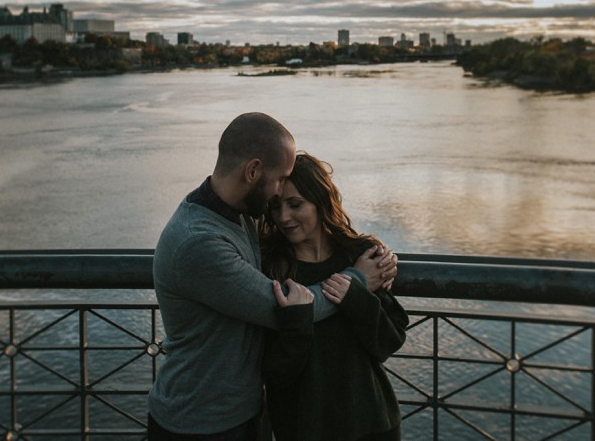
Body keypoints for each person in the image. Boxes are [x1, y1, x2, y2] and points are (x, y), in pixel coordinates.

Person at [148, 113, 397, 440]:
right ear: (252, 171)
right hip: (202, 420)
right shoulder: (199, 242)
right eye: (279, 180)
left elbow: (389, 335)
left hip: (248, 412)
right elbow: (286, 309)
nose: (278, 209)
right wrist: (359, 281)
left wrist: (380, 261)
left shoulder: (240, 216)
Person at [261, 152, 409, 441]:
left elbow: (389, 341)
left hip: (371, 423)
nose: (283, 217)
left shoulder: (359, 255)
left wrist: (356, 295)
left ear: (320, 201)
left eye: (295, 204)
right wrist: (298, 322)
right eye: (276, 207)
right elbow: (274, 370)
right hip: (303, 427)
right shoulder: (271, 267)